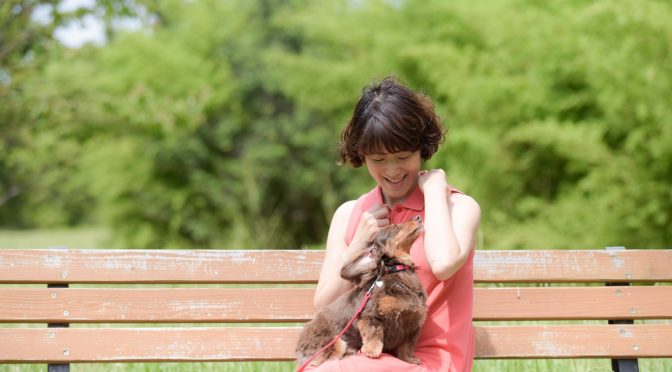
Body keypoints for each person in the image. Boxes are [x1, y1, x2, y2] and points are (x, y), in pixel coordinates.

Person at [309, 77, 481, 371]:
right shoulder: (350, 214)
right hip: (366, 354)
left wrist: (435, 196)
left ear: (422, 149)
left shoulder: (458, 207)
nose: (392, 170)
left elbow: (444, 264)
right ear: (361, 155)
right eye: (378, 159)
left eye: (403, 156)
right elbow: (324, 306)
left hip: (430, 359)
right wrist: (358, 246)